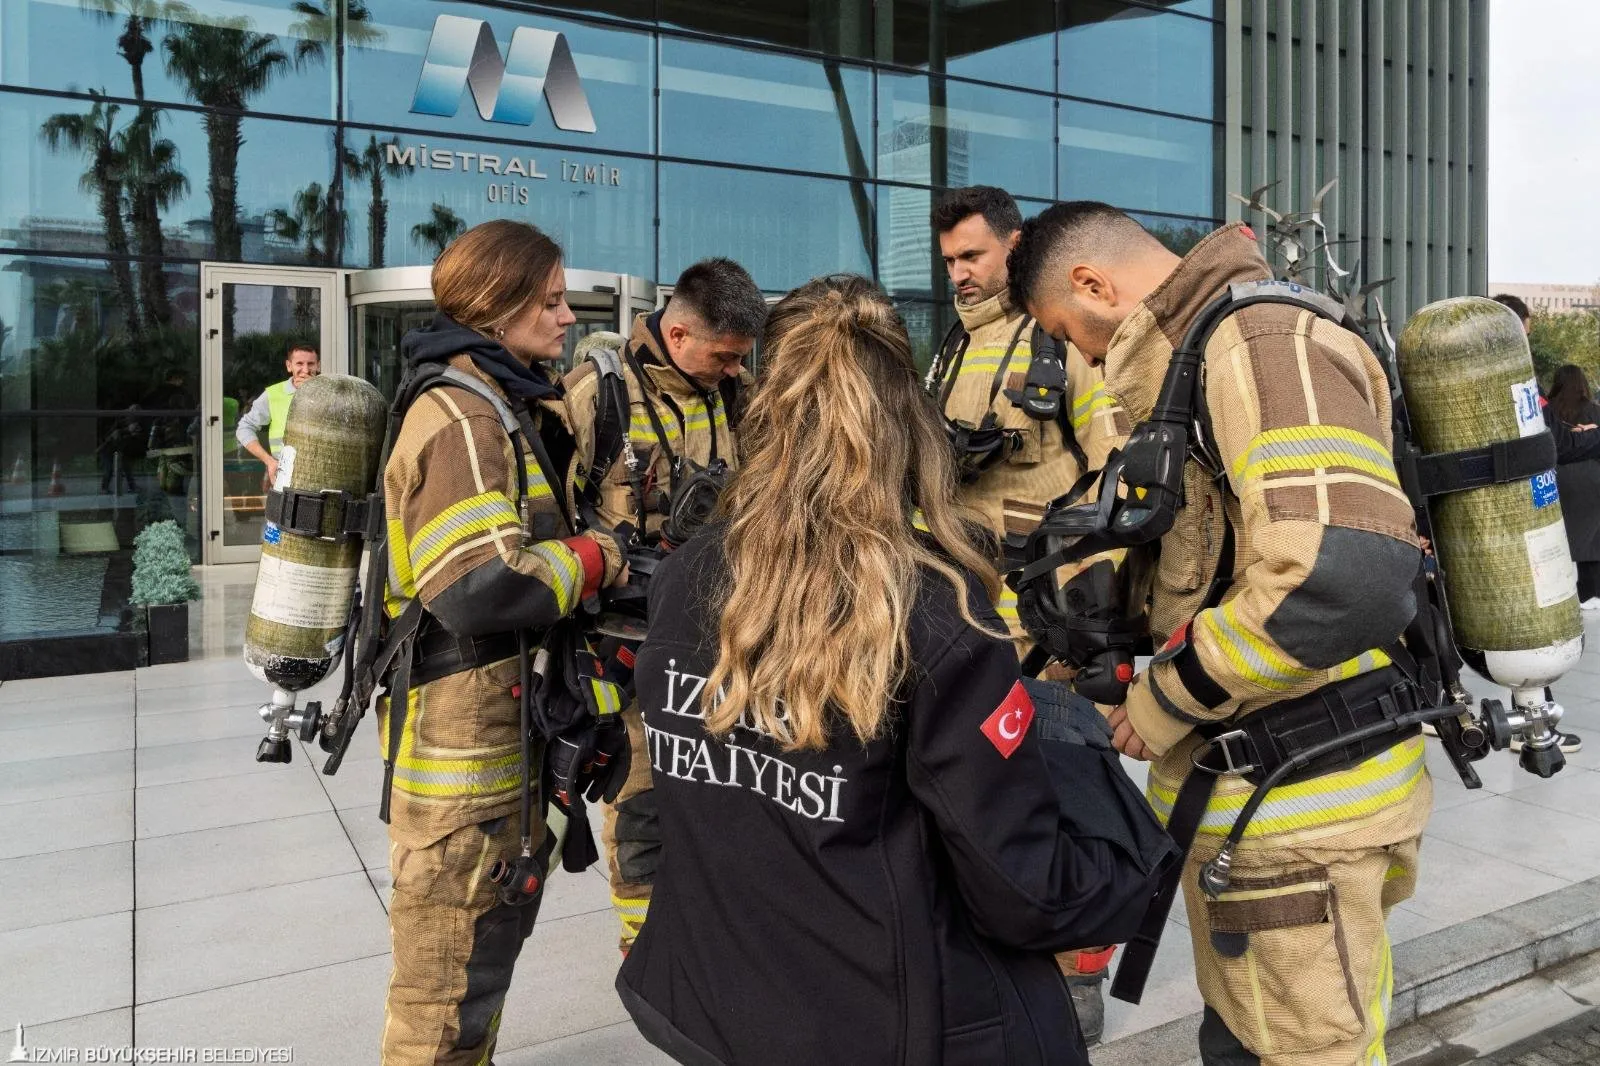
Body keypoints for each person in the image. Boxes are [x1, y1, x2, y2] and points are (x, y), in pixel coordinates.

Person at [616, 274, 1162, 1066]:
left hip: (716, 1006)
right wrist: (1094, 784)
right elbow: (1035, 896)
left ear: (765, 411)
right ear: (910, 420)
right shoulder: (930, 618)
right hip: (882, 1023)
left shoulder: (686, 577)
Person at [1010, 203, 1431, 1066]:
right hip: (1271, 806)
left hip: (1295, 814)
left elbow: (1340, 571)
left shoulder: (1258, 343)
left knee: (1306, 1052)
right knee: (1269, 1036)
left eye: (1073, 335)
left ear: (1093, 283)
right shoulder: (1201, 356)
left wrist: (1169, 696)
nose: (1084, 361)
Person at [378, 220, 626, 1066]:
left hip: (497, 763)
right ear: (498, 303)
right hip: (462, 781)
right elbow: (482, 587)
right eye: (550, 301)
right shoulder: (459, 417)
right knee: (440, 1011)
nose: (565, 319)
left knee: (472, 997)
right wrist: (600, 556)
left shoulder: (500, 404)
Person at [928, 186, 1126, 1036]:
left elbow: (1124, 485)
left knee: (1064, 799)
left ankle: (1080, 977)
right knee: (983, 805)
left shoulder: (1063, 341)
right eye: (948, 262)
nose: (960, 276)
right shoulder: (947, 354)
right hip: (968, 629)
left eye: (971, 256)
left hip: (1051, 631)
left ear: (1013, 245)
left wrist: (1091, 620)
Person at [563, 257, 768, 956]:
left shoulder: (736, 392)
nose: (733, 369)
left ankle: (716, 936)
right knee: (644, 801)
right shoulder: (597, 393)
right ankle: (647, 951)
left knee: (726, 795)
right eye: (723, 355)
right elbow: (551, 520)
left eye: (743, 356)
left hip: (724, 637)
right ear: (678, 334)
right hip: (629, 645)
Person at [1546, 364, 1600, 611]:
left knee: (1561, 538)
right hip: (1592, 480)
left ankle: (1560, 595)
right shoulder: (1594, 411)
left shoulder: (1549, 412)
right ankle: (1590, 595)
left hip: (1557, 480)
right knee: (1593, 541)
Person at [236, 344, 320, 486]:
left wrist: (314, 391)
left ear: (318, 366)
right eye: (299, 363)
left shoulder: (330, 394)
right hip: (284, 477)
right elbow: (244, 428)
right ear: (289, 366)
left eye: (310, 364)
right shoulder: (273, 394)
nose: (305, 370)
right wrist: (269, 461)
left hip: (321, 476)